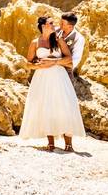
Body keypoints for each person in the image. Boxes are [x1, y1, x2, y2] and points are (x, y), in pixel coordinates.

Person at [18, 16, 86, 151]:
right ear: (43, 26)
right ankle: (51, 143)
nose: (54, 25)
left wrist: (53, 62)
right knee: (46, 106)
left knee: (64, 106)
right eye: (51, 23)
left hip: (59, 77)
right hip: (42, 78)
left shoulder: (58, 40)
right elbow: (28, 63)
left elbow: (69, 59)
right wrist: (40, 66)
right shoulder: (35, 43)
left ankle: (68, 144)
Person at [57, 12, 85, 78]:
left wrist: (55, 62)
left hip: (65, 73)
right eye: (60, 22)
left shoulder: (79, 39)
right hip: (50, 68)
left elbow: (75, 60)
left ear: (70, 26)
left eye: (62, 23)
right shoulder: (55, 30)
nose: (59, 24)